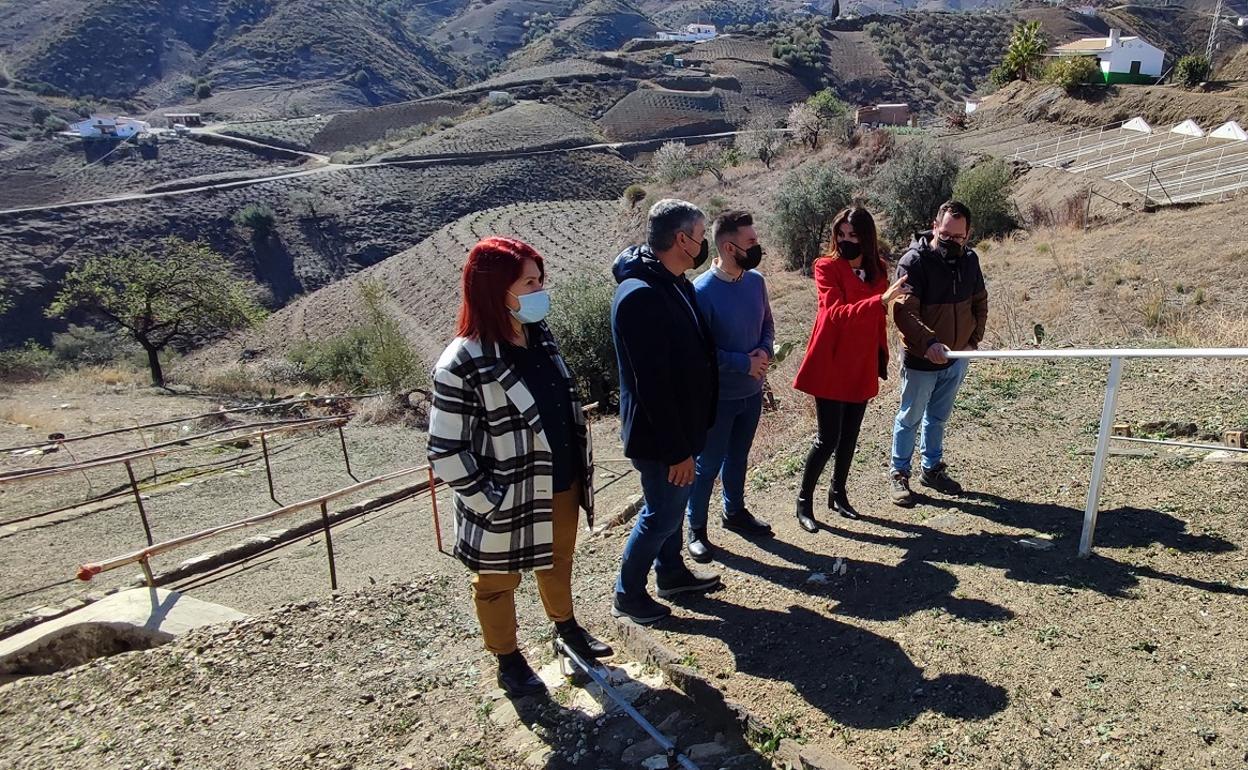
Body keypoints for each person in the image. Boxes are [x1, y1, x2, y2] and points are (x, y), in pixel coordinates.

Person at [427, 236, 610, 698]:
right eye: (529, 282)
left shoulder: (540, 337)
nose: (539, 290)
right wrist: (489, 501)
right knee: (495, 583)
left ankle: (566, 631)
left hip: (561, 481)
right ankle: (508, 661)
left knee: (558, 561)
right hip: (504, 497)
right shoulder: (462, 362)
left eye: (539, 280)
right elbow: (446, 450)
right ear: (496, 289)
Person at [610, 199, 722, 625]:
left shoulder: (674, 282)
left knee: (671, 510)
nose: (703, 243)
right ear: (681, 239)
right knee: (661, 514)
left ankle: (671, 574)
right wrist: (677, 451)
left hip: (683, 428)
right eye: (700, 234)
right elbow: (651, 386)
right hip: (662, 438)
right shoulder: (640, 295)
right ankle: (629, 595)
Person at [792, 206, 910, 532]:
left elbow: (877, 320)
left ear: (867, 238)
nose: (846, 241)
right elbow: (835, 313)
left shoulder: (878, 270)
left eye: (853, 235)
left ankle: (838, 493)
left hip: (861, 363)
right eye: (841, 235)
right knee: (827, 438)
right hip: (831, 364)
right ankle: (803, 501)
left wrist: (880, 356)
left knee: (850, 437)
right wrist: (881, 299)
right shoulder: (826, 267)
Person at [684, 210, 775, 563]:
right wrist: (744, 363)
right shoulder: (701, 292)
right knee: (707, 466)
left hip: (751, 393)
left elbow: (768, 323)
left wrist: (765, 350)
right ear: (728, 247)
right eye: (750, 242)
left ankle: (734, 512)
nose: (757, 247)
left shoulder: (756, 282)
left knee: (738, 457)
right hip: (718, 399)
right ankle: (697, 530)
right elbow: (700, 352)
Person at [888, 200, 988, 506]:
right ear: (935, 226)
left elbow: (980, 302)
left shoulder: (970, 260)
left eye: (959, 237)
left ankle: (931, 468)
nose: (952, 242)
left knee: (939, 417)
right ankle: (898, 472)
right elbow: (903, 311)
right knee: (910, 417)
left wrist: (973, 341)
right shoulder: (913, 261)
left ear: (968, 234)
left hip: (957, 359)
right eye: (946, 234)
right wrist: (929, 343)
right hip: (922, 360)